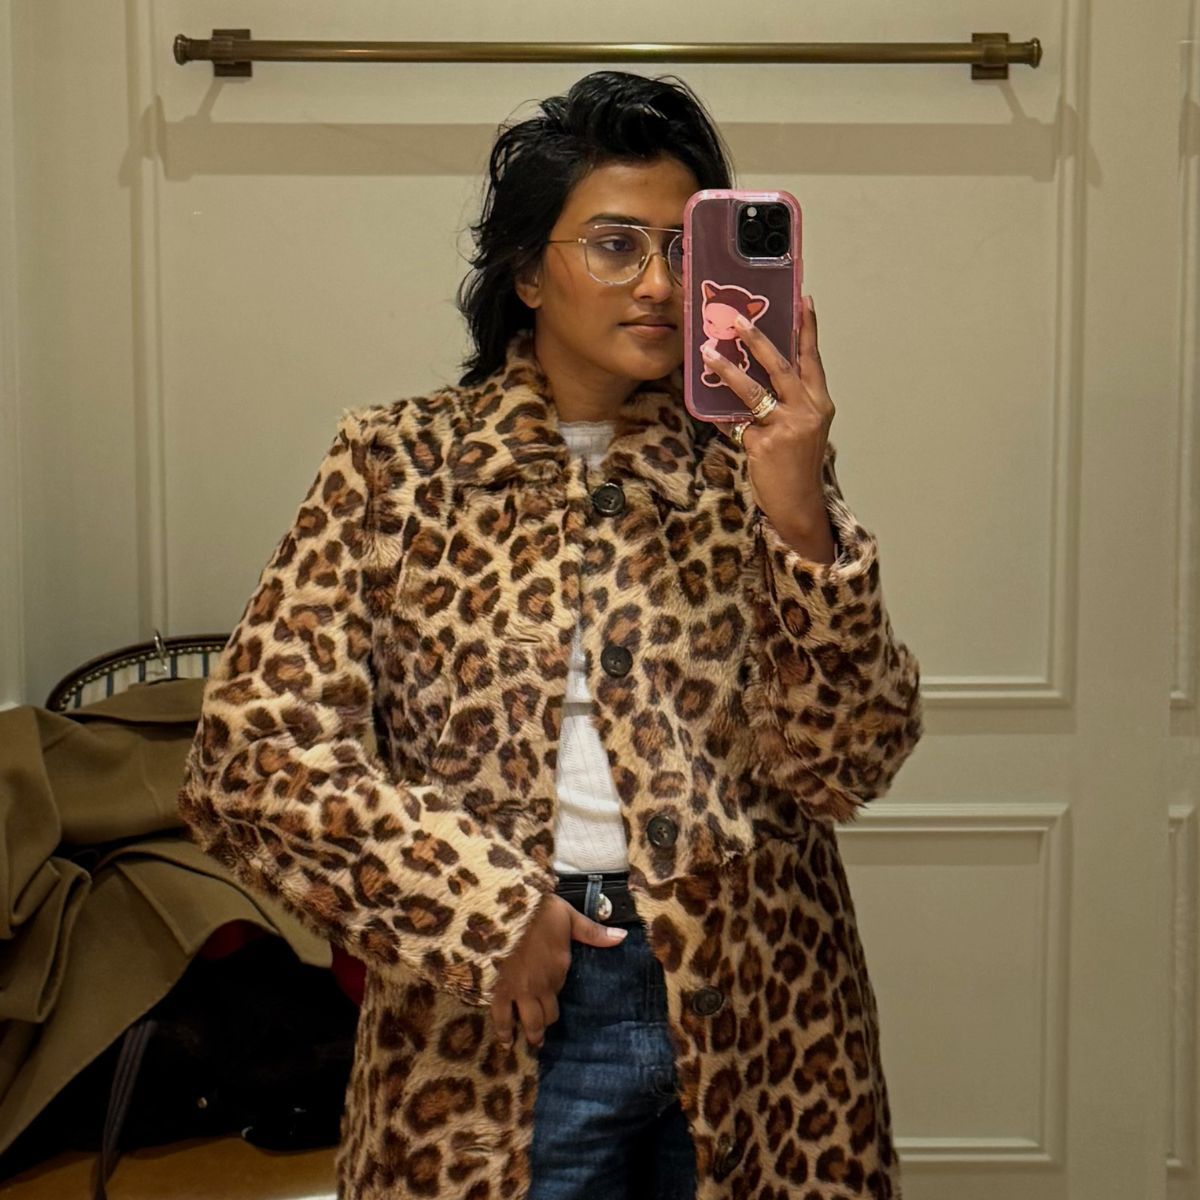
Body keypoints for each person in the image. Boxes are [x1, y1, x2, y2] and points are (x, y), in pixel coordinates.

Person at [178, 70, 923, 1200]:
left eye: (684, 249)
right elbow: (251, 758)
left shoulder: (756, 465)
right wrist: (477, 910)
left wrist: (802, 516)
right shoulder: (397, 466)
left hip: (762, 1020)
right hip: (492, 1017)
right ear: (528, 272)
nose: (660, 283)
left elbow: (850, 761)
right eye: (616, 246)